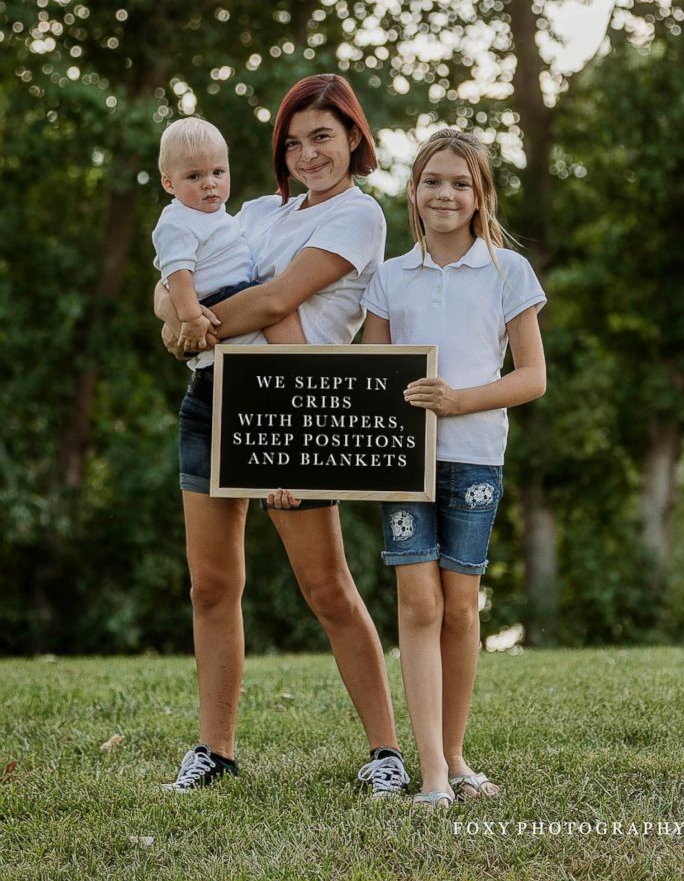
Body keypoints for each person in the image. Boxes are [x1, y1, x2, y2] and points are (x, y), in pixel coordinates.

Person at [154, 75, 409, 797]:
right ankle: (215, 750)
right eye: (293, 142)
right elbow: (172, 274)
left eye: (322, 136)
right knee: (211, 584)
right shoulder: (255, 210)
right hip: (212, 400)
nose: (307, 154)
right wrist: (177, 316)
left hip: (296, 408)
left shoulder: (359, 217)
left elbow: (272, 300)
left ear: (354, 137)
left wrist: (188, 322)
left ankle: (385, 751)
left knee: (325, 585)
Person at [361, 128, 547, 810]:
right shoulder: (388, 276)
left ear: (480, 196)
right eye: (433, 180)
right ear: (414, 191)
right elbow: (372, 376)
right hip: (403, 463)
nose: (445, 193)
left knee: (461, 609)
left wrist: (461, 399)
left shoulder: (508, 272)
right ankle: (432, 773)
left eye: (460, 183)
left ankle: (458, 754)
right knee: (418, 603)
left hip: (474, 458)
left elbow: (532, 377)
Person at [153, 117, 305, 353]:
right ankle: (306, 367)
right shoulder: (176, 221)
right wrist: (191, 318)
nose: (209, 183)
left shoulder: (216, 216)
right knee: (278, 313)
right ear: (169, 183)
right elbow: (178, 274)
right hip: (213, 299)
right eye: (195, 176)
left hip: (230, 293)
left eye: (218, 172)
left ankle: (297, 367)